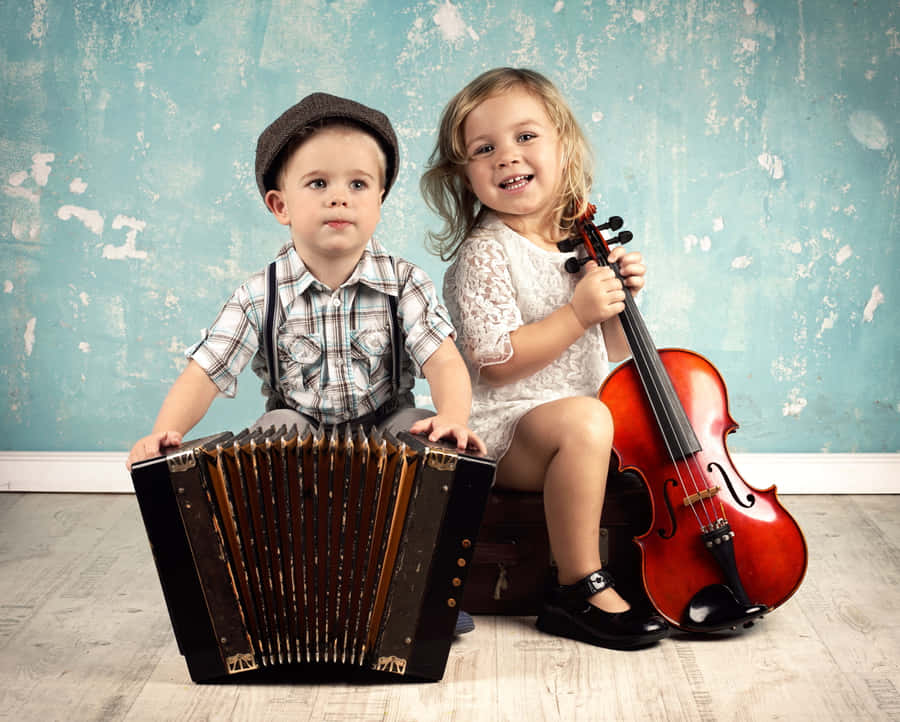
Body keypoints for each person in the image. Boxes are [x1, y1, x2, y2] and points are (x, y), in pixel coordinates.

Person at [421, 68, 668, 650]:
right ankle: (578, 585)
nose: (507, 156)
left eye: (525, 137)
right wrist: (577, 313)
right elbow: (496, 359)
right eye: (485, 149)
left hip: (576, 428)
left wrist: (618, 306)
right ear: (465, 175)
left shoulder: (580, 247)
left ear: (563, 146)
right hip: (505, 432)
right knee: (586, 421)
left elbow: (612, 354)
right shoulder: (484, 254)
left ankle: (677, 564)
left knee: (620, 419)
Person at [127, 91, 485, 467]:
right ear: (281, 206)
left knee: (420, 428)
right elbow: (205, 373)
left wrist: (452, 419)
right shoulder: (258, 295)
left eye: (358, 185)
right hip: (300, 438)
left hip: (384, 429)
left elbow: (443, 362)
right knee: (275, 427)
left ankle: (414, 524)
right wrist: (165, 430)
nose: (338, 198)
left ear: (380, 201)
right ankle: (285, 523)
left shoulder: (405, 282)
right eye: (318, 183)